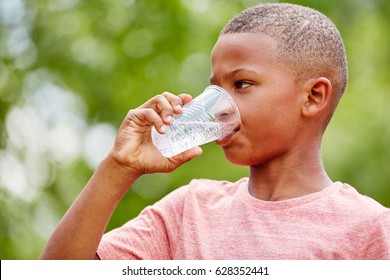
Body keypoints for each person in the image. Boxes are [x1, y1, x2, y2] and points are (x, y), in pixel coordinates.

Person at [40, 3, 390, 260]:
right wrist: (118, 167)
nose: (219, 104)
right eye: (214, 88)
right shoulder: (188, 212)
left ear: (313, 97)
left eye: (242, 84)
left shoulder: (370, 229)